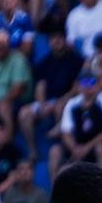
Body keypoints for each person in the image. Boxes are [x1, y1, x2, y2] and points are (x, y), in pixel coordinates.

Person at [18, 31, 80, 161]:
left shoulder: (76, 60)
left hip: (69, 99)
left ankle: (63, 148)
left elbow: (77, 87)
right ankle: (33, 151)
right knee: (24, 113)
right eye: (53, 38)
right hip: (49, 101)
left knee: (59, 106)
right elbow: (40, 87)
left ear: (65, 40)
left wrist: (63, 99)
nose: (56, 41)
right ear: (49, 42)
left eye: (59, 37)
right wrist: (42, 105)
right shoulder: (44, 62)